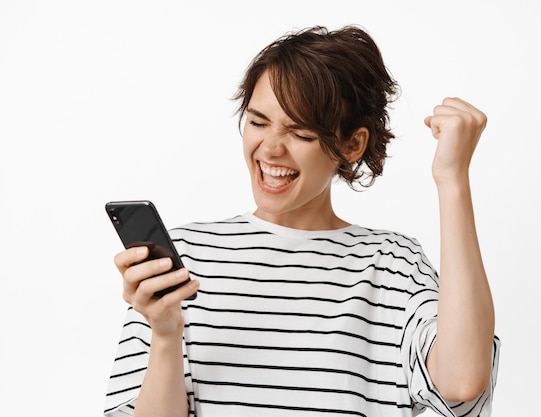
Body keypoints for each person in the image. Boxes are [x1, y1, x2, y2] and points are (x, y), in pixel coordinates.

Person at [104, 25, 500, 417]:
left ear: (352, 144)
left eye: (301, 133)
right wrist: (166, 333)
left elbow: (461, 383)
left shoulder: (391, 264)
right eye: (258, 122)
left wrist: (452, 182)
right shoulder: (184, 258)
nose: (271, 148)